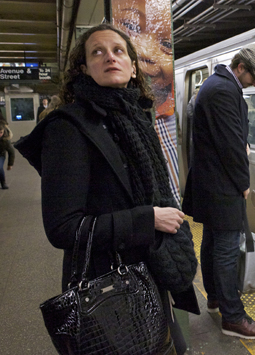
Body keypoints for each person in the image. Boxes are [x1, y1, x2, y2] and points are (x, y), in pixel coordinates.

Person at [15, 24, 199, 354]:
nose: (109, 57)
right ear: (84, 69)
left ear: (131, 68)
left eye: (118, 51)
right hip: (110, 287)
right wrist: (148, 220)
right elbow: (62, 228)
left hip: (152, 272)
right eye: (97, 52)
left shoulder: (138, 119)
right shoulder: (68, 129)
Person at [188, 43, 255, 339]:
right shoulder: (224, 90)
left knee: (211, 243)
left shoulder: (214, 84)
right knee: (225, 250)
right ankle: (233, 318)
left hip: (210, 185)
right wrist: (244, 185)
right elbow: (230, 146)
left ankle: (214, 297)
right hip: (222, 187)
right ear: (240, 68)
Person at [111, 0, 181, 200]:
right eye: (131, 25)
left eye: (166, 43)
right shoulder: (96, 121)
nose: (149, 54)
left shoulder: (169, 117)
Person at [0, 120, 14, 189]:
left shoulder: (5, 140)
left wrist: (10, 164)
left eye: (1, 132)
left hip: (1, 155)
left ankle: (3, 182)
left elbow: (11, 152)